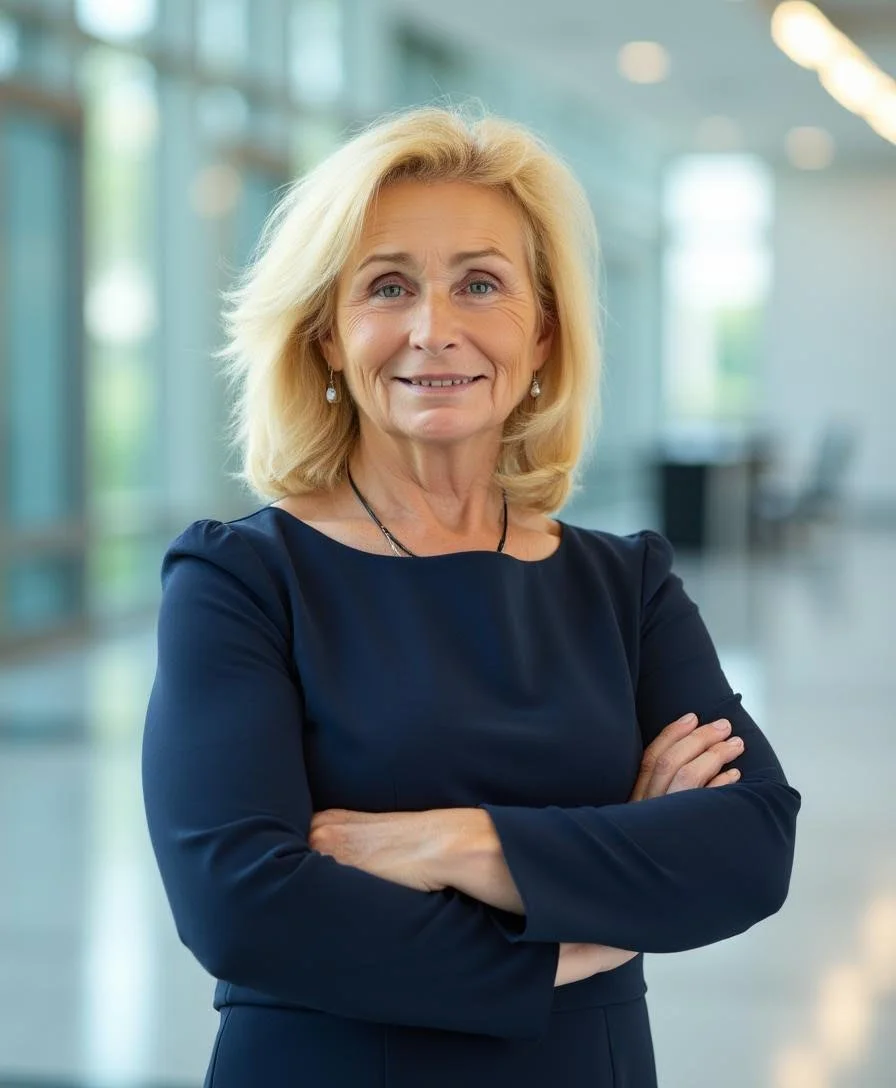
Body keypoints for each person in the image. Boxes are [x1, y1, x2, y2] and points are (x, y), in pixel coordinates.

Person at [142, 106, 801, 1088]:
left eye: (479, 282)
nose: (431, 327)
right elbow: (240, 904)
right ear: (327, 333)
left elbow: (747, 845)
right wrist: (584, 916)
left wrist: (442, 839)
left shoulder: (624, 586)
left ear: (540, 333)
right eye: (388, 285)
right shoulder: (240, 579)